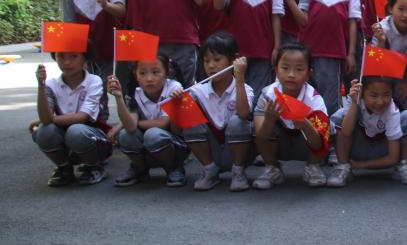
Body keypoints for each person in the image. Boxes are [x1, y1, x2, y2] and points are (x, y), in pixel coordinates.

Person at [282, 0, 360, 116]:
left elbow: (352, 23)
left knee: (329, 101)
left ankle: (329, 130)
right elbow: (303, 21)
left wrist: (350, 54)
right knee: (305, 96)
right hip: (306, 54)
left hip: (333, 54)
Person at [252, 43, 332, 189]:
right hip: (279, 143)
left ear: (309, 73)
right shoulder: (267, 95)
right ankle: (272, 168)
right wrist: (269, 121)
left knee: (328, 126)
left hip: (304, 145)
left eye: (299, 69)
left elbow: (318, 144)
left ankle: (313, 166)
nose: (291, 75)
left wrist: (306, 125)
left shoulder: (314, 99)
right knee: (256, 125)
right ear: (276, 70)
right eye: (285, 68)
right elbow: (260, 138)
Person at [184, 31, 255, 192]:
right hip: (213, 151)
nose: (211, 66)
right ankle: (210, 170)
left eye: (217, 60)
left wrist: (240, 77)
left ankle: (238, 171)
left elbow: (244, 113)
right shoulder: (197, 91)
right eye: (206, 61)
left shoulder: (244, 89)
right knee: (189, 119)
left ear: (233, 60)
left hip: (237, 151)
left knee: (238, 122)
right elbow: (177, 127)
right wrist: (177, 102)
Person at [31, 51, 110, 186]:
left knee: (76, 131)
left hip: (93, 138)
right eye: (61, 56)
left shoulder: (94, 81)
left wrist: (45, 120)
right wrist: (41, 85)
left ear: (85, 59)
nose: (67, 62)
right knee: (44, 130)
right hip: (65, 138)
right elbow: (46, 119)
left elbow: (82, 117)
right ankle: (64, 168)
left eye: (74, 56)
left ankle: (94, 166)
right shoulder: (50, 84)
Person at [109, 56, 189, 187]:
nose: (149, 78)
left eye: (156, 72)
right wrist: (119, 98)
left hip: (174, 143)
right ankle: (140, 168)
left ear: (167, 73)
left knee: (153, 134)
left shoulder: (174, 88)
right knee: (125, 135)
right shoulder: (135, 91)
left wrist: (134, 123)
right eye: (142, 73)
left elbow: (163, 123)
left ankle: (173, 167)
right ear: (135, 74)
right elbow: (130, 128)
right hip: (148, 143)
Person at [328, 76, 407, 187]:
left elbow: (392, 158)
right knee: (340, 116)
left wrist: (360, 165)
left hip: (384, 151)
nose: (380, 102)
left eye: (386, 95)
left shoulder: (392, 110)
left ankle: (403, 165)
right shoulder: (355, 99)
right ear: (362, 93)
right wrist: (354, 103)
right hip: (358, 149)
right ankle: (343, 166)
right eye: (373, 95)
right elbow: (346, 132)